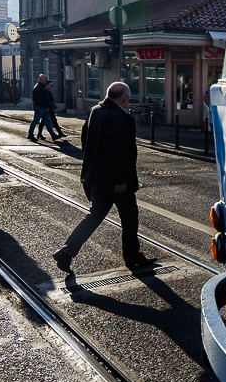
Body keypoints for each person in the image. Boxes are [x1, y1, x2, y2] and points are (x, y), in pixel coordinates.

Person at [53, 82, 155, 274]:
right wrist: (119, 181)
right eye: (128, 99)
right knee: (130, 217)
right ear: (125, 99)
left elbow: (85, 142)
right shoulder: (117, 118)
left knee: (94, 216)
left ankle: (66, 253)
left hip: (97, 178)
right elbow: (116, 152)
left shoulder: (95, 110)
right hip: (115, 182)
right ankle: (132, 257)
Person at [27, 74, 55, 142]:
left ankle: (53, 135)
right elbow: (40, 99)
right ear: (41, 80)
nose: (46, 80)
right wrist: (46, 107)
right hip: (39, 107)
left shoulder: (42, 87)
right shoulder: (38, 88)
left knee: (48, 121)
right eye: (45, 79)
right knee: (36, 121)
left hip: (43, 107)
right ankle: (30, 134)